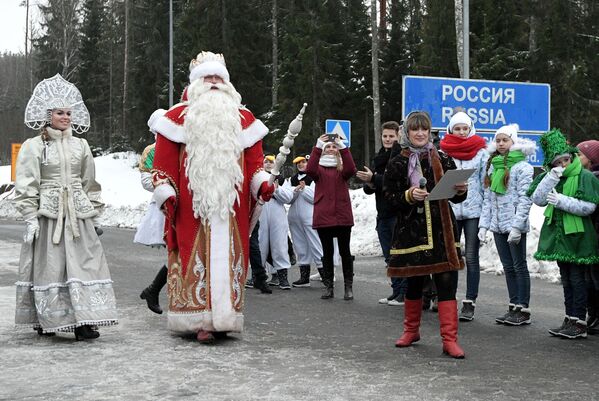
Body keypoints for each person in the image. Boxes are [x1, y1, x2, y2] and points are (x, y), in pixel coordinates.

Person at [150, 51, 274, 343]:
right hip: (192, 207)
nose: (215, 83)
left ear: (228, 83)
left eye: (219, 78)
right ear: (196, 82)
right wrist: (165, 191)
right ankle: (196, 321)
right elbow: (163, 165)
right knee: (194, 257)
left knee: (231, 260)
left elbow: (255, 164)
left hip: (232, 207)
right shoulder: (176, 118)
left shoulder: (243, 119)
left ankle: (224, 319)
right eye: (208, 77)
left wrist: (263, 183)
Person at [15, 74, 118, 340]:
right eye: (60, 112)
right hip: (49, 217)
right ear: (48, 115)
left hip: (77, 216)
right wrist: (30, 217)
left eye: (68, 113)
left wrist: (94, 214)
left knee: (84, 265)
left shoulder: (81, 145)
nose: (66, 117)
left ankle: (83, 320)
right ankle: (46, 317)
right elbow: (26, 183)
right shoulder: (34, 146)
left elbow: (89, 181)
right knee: (51, 267)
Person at [383, 111, 468, 359]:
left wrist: (460, 189)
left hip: (443, 231)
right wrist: (409, 195)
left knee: (446, 284)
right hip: (412, 233)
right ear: (407, 133)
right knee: (414, 283)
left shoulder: (441, 157)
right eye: (415, 130)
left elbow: (457, 196)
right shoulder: (398, 161)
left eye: (425, 130)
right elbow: (388, 199)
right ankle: (411, 331)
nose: (420, 134)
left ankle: (449, 340)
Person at [529, 130, 599, 339]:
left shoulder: (585, 177)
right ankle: (569, 318)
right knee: (566, 278)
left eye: (566, 160)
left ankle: (579, 321)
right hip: (559, 237)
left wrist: (562, 202)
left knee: (577, 279)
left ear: (572, 156)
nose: (563, 166)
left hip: (578, 237)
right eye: (557, 162)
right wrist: (550, 178)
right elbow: (539, 199)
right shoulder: (552, 177)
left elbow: (589, 207)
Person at [478, 124, 535, 326]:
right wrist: (483, 226)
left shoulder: (523, 168)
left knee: (519, 266)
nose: (501, 144)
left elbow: (525, 199)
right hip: (498, 225)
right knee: (508, 267)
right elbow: (488, 199)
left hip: (513, 226)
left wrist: (517, 226)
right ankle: (513, 306)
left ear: (513, 142)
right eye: (498, 140)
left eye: (505, 140)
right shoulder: (494, 166)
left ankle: (523, 309)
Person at [439, 111, 488, 321]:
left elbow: (486, 184)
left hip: (474, 211)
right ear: (451, 129)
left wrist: (486, 213)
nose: (461, 132)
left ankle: (470, 302)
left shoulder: (481, 152)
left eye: (464, 128)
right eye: (457, 128)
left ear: (470, 129)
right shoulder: (442, 152)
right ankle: (449, 299)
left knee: (471, 257)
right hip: (451, 208)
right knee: (452, 256)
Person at [357, 121, 407, 306]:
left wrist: (374, 179)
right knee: (389, 256)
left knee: (399, 254)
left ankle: (404, 292)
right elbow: (372, 188)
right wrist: (369, 183)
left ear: (398, 136)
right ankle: (395, 291)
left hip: (396, 212)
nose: (387, 139)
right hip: (382, 212)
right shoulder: (379, 157)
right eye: (385, 136)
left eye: (391, 136)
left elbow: (393, 181)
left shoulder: (400, 156)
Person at [306, 134, 357, 300]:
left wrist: (342, 146)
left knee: (345, 251)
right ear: (322, 150)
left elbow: (351, 168)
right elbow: (310, 170)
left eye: (333, 147)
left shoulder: (342, 169)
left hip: (342, 215)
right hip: (324, 215)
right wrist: (318, 144)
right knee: (327, 252)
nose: (331, 149)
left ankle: (348, 287)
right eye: (328, 147)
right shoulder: (318, 169)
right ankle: (328, 286)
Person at [134, 108, 170, 314]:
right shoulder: (152, 150)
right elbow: (146, 181)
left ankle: (154, 290)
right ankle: (156, 290)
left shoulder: (182, 146)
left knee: (181, 254)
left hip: (185, 205)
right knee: (177, 253)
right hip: (164, 205)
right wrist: (168, 186)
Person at [284, 154, 324, 287]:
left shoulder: (314, 178)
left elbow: (315, 198)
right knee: (300, 247)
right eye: (298, 163)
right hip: (295, 218)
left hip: (310, 217)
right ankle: (304, 277)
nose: (300, 165)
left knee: (316, 244)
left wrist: (304, 189)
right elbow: (288, 198)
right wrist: (295, 190)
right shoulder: (292, 179)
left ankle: (325, 274)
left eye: (303, 162)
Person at [258, 154, 293, 290]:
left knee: (279, 242)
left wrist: (276, 190)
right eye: (265, 161)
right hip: (261, 209)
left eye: (271, 162)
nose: (268, 164)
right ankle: (259, 275)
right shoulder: (257, 178)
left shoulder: (282, 180)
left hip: (277, 210)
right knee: (260, 242)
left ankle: (282, 276)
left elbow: (288, 197)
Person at [577, 140, 599, 333]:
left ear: (591, 159)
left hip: (596, 232)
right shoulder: (584, 176)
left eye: (580, 155)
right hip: (589, 233)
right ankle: (593, 314)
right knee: (589, 278)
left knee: (595, 277)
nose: (576, 158)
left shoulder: (594, 179)